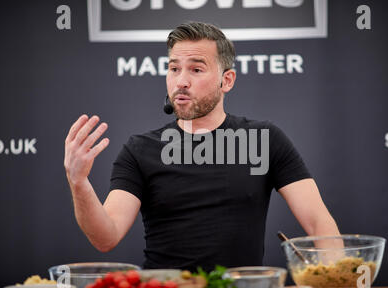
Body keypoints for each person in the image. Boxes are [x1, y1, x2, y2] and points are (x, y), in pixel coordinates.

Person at [64, 22, 341, 272]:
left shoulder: (264, 139)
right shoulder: (139, 150)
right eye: (174, 69)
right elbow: (105, 237)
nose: (181, 81)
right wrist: (79, 182)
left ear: (227, 80)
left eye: (196, 69)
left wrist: (337, 281)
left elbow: (319, 224)